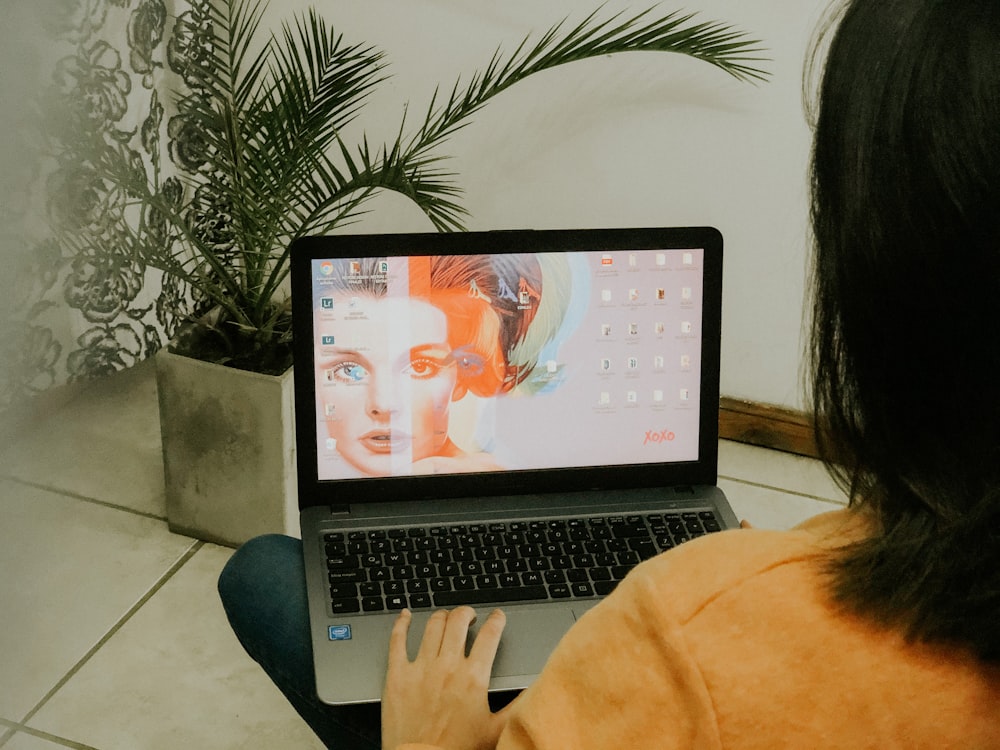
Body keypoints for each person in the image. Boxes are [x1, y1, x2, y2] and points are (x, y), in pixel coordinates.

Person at [219, 0, 1000, 746]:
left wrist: (427, 741)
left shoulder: (680, 630)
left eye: (433, 361)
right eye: (353, 367)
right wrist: (772, 573)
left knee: (259, 572)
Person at [313, 254, 558, 477]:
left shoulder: (488, 478)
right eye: (349, 370)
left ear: (462, 375)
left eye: (420, 367)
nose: (384, 405)